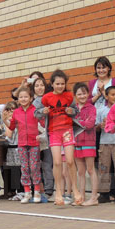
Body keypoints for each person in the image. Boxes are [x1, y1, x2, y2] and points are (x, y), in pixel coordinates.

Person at [36, 69, 82, 206]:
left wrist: (71, 111)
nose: (60, 86)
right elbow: (36, 113)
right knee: (56, 162)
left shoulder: (69, 96)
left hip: (67, 131)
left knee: (69, 161)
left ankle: (75, 189)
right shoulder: (46, 98)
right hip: (53, 132)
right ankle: (58, 192)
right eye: (57, 84)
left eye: (62, 84)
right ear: (52, 84)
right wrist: (42, 112)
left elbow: (76, 112)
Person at [4, 87, 42, 203]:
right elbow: (11, 127)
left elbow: (43, 124)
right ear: (18, 99)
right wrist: (5, 119)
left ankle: (37, 191)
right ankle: (27, 192)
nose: (23, 99)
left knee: (34, 167)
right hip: (21, 144)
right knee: (24, 167)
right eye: (21, 97)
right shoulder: (16, 112)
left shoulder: (35, 110)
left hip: (34, 143)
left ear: (31, 98)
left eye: (26, 97)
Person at [95, 86, 115, 204]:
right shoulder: (101, 110)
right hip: (104, 142)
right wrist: (100, 126)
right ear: (106, 96)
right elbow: (96, 127)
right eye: (112, 95)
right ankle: (104, 193)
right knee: (103, 168)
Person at [72, 83, 98, 206]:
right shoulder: (74, 109)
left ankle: (94, 197)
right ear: (75, 96)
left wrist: (79, 122)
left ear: (88, 94)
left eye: (84, 93)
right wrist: (83, 122)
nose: (82, 96)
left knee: (90, 169)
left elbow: (90, 124)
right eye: (79, 94)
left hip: (89, 141)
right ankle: (81, 196)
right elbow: (71, 124)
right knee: (80, 171)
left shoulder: (91, 108)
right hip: (76, 142)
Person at [32, 76, 53, 200]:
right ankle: (40, 189)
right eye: (36, 85)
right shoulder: (32, 103)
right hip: (37, 137)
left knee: (48, 164)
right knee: (37, 165)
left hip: (49, 136)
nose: (39, 88)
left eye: (41, 85)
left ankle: (50, 189)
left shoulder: (49, 99)